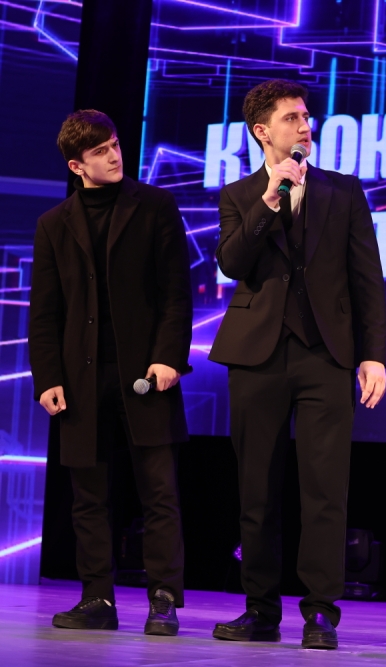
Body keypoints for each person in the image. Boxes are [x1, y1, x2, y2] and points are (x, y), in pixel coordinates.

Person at [208, 79, 386, 650]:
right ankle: (260, 609)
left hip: (325, 355)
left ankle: (321, 613)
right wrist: (269, 201)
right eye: (292, 118)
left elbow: (367, 280)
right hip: (255, 356)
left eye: (307, 116)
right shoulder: (239, 195)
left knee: (325, 490)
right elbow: (233, 262)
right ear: (262, 131)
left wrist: (372, 355)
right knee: (257, 489)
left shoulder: (344, 191)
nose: (305, 125)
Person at [30, 110, 192, 635]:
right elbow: (45, 311)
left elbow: (176, 292)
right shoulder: (54, 224)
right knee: (88, 497)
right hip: (80, 377)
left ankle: (163, 599)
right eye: (100, 151)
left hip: (145, 373)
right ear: (77, 166)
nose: (115, 155)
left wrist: (168, 356)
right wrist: (47, 377)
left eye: (116, 144)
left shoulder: (155, 206)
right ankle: (97, 598)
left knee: (159, 492)